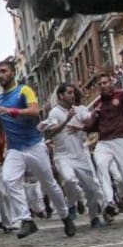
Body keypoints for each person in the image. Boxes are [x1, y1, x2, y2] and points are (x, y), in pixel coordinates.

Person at [0, 58, 74, 238]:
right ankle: (26, 220)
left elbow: (35, 111)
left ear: (13, 73)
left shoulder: (24, 91)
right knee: (9, 179)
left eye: (4, 71)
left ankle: (65, 216)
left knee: (49, 184)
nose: (0, 75)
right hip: (15, 149)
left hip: (34, 145)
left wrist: (13, 111)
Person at [41, 82, 106, 228]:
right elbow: (52, 131)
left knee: (91, 188)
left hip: (80, 155)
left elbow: (89, 120)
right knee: (69, 180)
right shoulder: (54, 113)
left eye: (73, 92)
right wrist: (67, 119)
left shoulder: (78, 110)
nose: (72, 95)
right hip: (63, 156)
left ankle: (94, 217)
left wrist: (95, 113)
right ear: (61, 96)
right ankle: (71, 205)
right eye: (69, 93)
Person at [86, 73, 123, 223]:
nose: (103, 86)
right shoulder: (97, 104)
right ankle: (110, 202)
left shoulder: (122, 95)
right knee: (101, 166)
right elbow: (91, 127)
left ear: (111, 82)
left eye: (105, 82)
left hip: (121, 139)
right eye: (100, 84)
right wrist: (93, 116)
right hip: (104, 141)